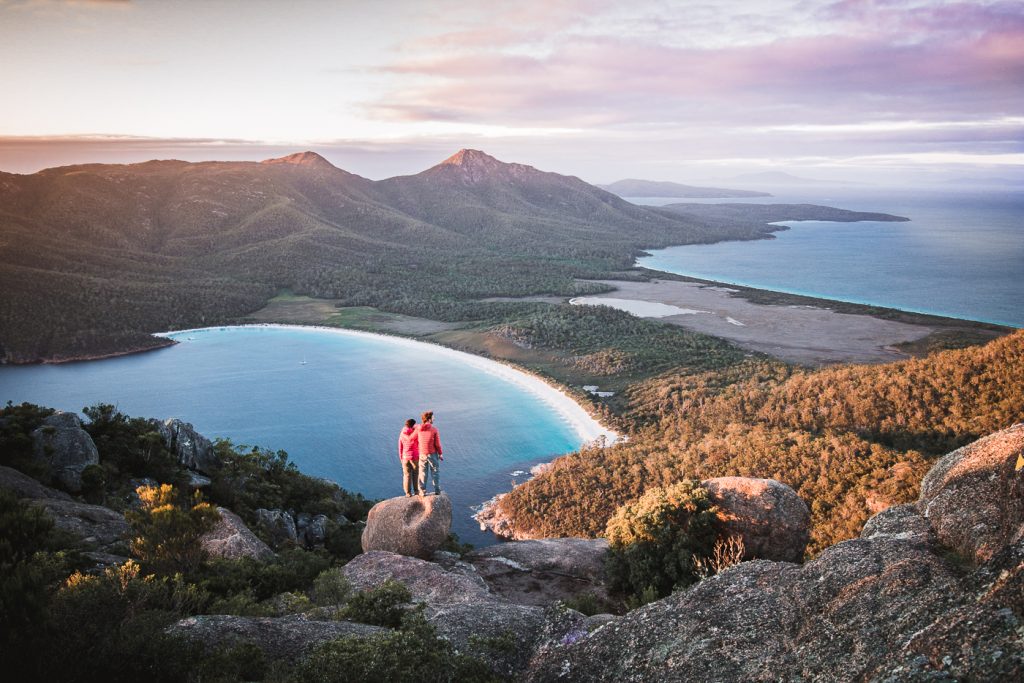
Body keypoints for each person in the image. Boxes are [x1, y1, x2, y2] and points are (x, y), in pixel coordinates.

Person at [415, 410, 443, 496]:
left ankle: (422, 491)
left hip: (422, 453)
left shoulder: (418, 429)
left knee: (423, 472)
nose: (434, 419)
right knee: (435, 471)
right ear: (429, 419)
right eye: (433, 417)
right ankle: (437, 490)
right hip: (432, 453)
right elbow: (437, 444)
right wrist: (440, 453)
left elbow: (414, 440)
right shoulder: (434, 430)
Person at [398, 418, 419, 497]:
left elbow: (400, 447)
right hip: (414, 457)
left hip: (405, 457)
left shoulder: (402, 433)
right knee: (416, 474)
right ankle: (416, 491)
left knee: (406, 475)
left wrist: (401, 458)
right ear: (413, 426)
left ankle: (408, 493)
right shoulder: (415, 434)